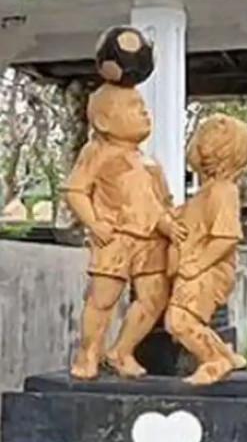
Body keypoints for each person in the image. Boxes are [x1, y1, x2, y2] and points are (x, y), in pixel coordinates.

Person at [63, 84, 185, 380]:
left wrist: (173, 224)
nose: (144, 111)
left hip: (151, 241)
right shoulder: (97, 152)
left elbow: (163, 203)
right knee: (102, 299)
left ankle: (121, 350)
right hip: (114, 237)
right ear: (103, 122)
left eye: (143, 105)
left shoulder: (150, 164)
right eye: (133, 106)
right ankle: (88, 353)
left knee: (153, 298)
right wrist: (93, 223)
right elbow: (75, 191)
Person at [164, 114, 247, 385]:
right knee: (185, 321)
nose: (205, 154)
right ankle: (226, 354)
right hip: (191, 266)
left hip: (206, 268)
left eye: (214, 150)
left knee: (179, 322)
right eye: (203, 146)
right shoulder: (206, 191)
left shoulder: (224, 192)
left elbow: (227, 237)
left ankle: (214, 361)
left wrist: (198, 265)